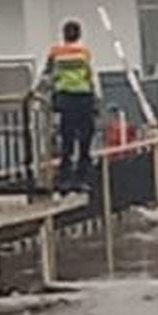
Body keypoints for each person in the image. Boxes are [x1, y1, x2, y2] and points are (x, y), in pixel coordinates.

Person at [45, 20, 99, 191]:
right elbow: (91, 78)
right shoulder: (84, 53)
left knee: (67, 138)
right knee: (85, 139)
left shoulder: (56, 53)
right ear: (79, 34)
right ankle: (83, 177)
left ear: (64, 35)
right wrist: (97, 100)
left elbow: (47, 75)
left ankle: (65, 177)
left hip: (65, 99)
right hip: (84, 98)